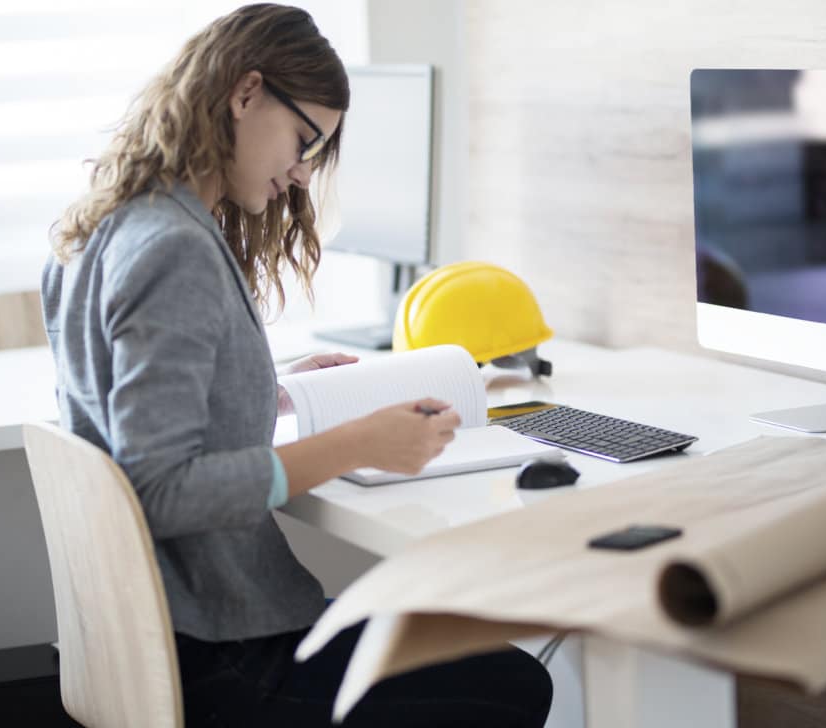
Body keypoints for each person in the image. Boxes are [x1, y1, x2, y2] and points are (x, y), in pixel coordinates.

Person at [42, 4, 553, 726]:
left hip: (157, 632)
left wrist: (268, 391)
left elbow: (135, 407)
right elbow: (160, 488)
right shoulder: (173, 247)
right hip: (221, 649)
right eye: (304, 140)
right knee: (516, 681)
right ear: (245, 93)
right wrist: (361, 443)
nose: (302, 173)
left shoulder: (112, 223)